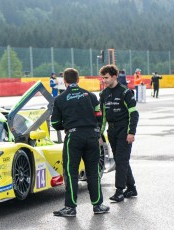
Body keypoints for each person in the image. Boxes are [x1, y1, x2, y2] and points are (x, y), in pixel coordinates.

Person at [51, 68, 110, 217]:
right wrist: (97, 132)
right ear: (78, 80)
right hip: (91, 136)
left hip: (74, 137)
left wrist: (68, 125)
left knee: (71, 173)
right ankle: (98, 205)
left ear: (64, 81)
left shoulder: (60, 99)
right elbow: (100, 116)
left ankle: (70, 207)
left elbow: (55, 123)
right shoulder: (90, 96)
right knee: (93, 172)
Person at [99, 64, 139, 203]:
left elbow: (134, 114)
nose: (104, 80)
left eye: (106, 77)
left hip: (124, 130)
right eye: (103, 78)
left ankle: (119, 191)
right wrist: (100, 134)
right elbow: (103, 116)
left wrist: (131, 132)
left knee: (121, 161)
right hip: (112, 131)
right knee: (121, 160)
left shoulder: (125, 92)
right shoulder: (103, 94)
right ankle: (132, 188)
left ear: (114, 76)